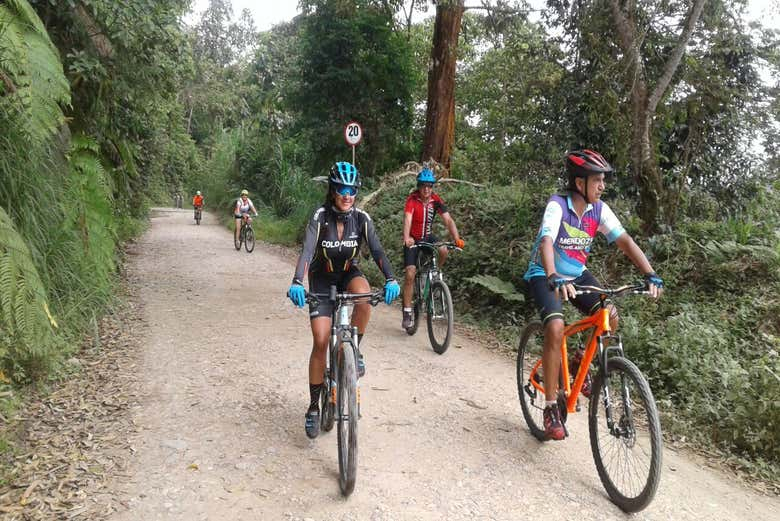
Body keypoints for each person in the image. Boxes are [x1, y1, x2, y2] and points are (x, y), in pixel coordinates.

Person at [523, 149, 664, 441]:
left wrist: (650, 273)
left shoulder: (599, 209)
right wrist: (552, 276)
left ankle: (576, 364)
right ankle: (551, 407)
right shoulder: (557, 205)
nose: (602, 186)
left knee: (609, 315)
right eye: (597, 180)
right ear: (579, 183)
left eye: (603, 180)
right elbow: (547, 240)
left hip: (577, 274)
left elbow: (624, 240)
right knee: (555, 326)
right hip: (545, 273)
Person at [286, 161, 400, 439]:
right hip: (322, 278)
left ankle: (355, 351)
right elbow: (308, 249)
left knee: (363, 299)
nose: (347, 195)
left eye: (352, 190)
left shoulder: (361, 218)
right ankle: (314, 407)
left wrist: (391, 278)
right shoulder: (320, 216)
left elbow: (377, 250)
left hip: (348, 273)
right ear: (333, 190)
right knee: (321, 341)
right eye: (342, 189)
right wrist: (297, 281)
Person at [401, 167, 464, 330]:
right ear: (418, 186)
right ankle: (407, 312)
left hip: (428, 237)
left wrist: (456, 238)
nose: (426, 189)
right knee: (410, 273)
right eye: (423, 185)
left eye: (429, 186)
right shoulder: (412, 200)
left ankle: (435, 274)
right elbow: (407, 219)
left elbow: (448, 220)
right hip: (413, 238)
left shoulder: (436, 200)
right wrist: (407, 238)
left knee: (443, 249)